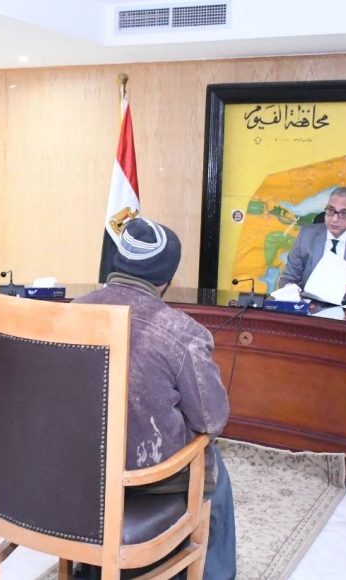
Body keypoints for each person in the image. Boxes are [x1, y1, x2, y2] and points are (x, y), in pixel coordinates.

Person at [74, 218, 235, 580]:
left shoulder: (70, 312)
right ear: (167, 280)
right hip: (143, 476)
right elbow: (212, 420)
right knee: (214, 467)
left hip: (74, 467)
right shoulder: (181, 331)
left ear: (118, 260)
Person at [280, 186, 346, 305]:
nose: (334, 219)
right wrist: (291, 290)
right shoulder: (306, 236)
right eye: (331, 210)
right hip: (308, 307)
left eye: (344, 213)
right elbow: (287, 279)